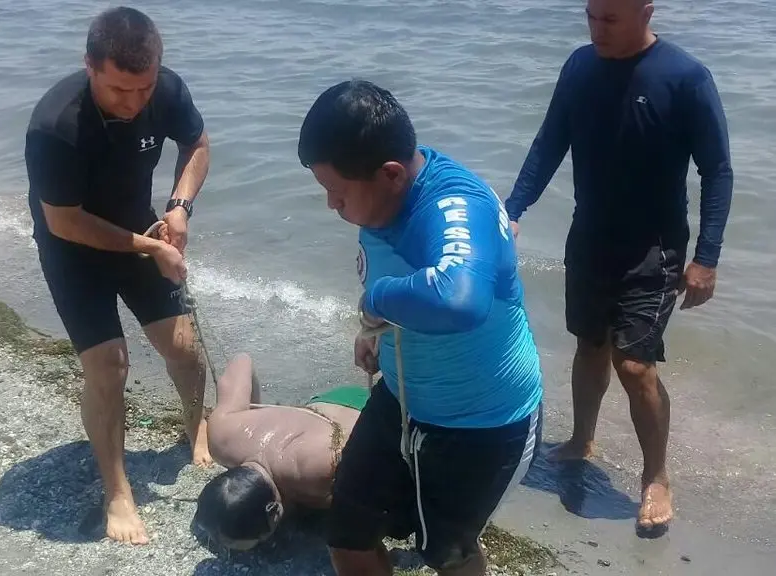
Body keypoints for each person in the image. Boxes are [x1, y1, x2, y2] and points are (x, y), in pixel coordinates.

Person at [297, 80, 544, 576]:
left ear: (390, 174)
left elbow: (458, 299)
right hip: (403, 400)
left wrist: (375, 301)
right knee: (347, 535)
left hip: (485, 423)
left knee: (447, 553)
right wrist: (374, 331)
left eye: (337, 193)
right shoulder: (381, 194)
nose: (331, 205)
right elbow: (404, 278)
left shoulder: (455, 203)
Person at [504, 0, 733, 534]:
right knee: (589, 345)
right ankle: (582, 439)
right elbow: (549, 143)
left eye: (610, 19)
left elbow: (717, 170)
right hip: (589, 237)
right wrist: (511, 210)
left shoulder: (686, 77)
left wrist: (708, 256)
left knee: (634, 364)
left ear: (645, 11)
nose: (596, 29)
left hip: (654, 248)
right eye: (591, 16)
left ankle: (657, 476)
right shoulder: (580, 66)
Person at [24, 6, 213, 545]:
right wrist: (153, 248)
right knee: (109, 366)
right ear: (89, 66)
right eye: (117, 90)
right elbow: (65, 220)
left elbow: (197, 145)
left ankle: (195, 422)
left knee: (180, 346)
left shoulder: (167, 91)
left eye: (144, 88)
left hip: (139, 228)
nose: (133, 104)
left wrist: (179, 207)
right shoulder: (56, 124)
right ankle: (117, 492)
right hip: (71, 247)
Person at [194, 353, 368, 550]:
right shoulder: (221, 436)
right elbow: (241, 360)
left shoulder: (317, 478)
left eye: (259, 541)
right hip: (332, 398)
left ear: (274, 512)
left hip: (365, 407)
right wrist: (252, 415)